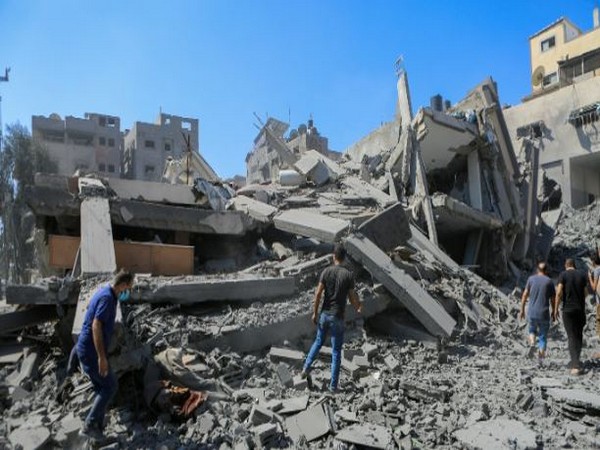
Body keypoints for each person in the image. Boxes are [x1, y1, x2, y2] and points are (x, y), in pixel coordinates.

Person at [76, 270, 134, 439]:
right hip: (91, 352)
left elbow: (90, 312)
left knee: (102, 387)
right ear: (122, 285)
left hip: (87, 349)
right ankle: (89, 426)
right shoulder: (108, 299)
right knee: (110, 386)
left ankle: (97, 431)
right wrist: (101, 357)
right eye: (129, 288)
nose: (128, 291)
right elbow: (96, 325)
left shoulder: (105, 292)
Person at [301, 244, 362, 392]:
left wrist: (315, 313)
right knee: (336, 352)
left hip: (324, 315)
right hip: (338, 317)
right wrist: (358, 307)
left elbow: (317, 294)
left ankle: (306, 367)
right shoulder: (348, 275)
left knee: (318, 342)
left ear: (333, 256)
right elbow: (352, 297)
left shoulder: (326, 272)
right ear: (344, 258)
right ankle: (333, 386)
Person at [554, 259, 589, 375]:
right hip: (580, 310)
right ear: (574, 265)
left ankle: (574, 365)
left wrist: (555, 309)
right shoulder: (582, 274)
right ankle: (576, 360)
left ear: (566, 265)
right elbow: (586, 293)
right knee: (578, 335)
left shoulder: (563, 275)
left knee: (571, 336)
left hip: (568, 310)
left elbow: (559, 292)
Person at [519, 262, 556, 360]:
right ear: (546, 270)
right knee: (543, 336)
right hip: (544, 313)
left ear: (537, 270)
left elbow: (524, 295)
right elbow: (553, 299)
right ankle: (540, 358)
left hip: (532, 312)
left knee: (532, 330)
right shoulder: (549, 281)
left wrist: (522, 310)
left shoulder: (531, 279)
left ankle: (532, 343)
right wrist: (554, 311)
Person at [588, 254, 600, 338]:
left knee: (599, 319)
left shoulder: (597, 270)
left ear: (593, 261)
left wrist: (589, 277)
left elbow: (594, 287)